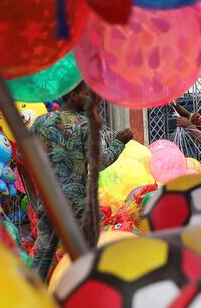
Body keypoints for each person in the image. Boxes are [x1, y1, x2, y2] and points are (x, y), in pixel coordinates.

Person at [30, 82, 133, 280]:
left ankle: (35, 295)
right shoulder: (85, 126)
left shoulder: (41, 122)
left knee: (44, 254)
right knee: (84, 253)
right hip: (77, 205)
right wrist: (120, 142)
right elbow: (100, 162)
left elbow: (27, 155)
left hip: (49, 201)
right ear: (72, 95)